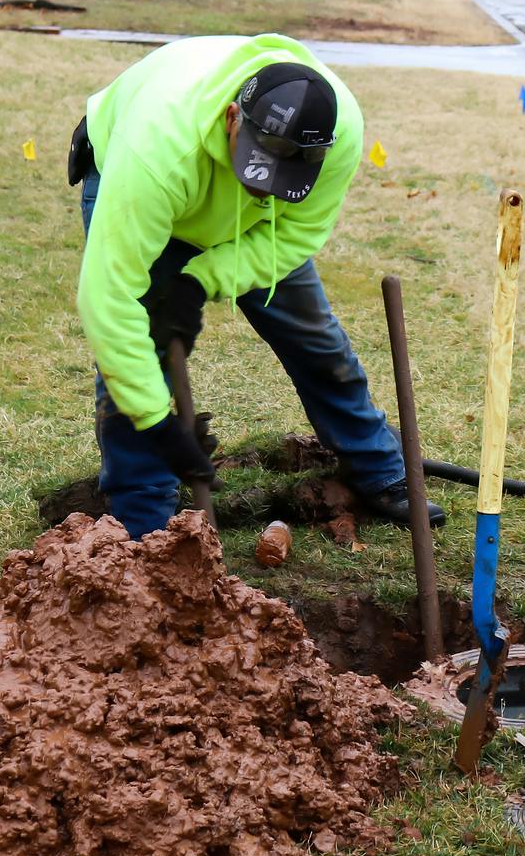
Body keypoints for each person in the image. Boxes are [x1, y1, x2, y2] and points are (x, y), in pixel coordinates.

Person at [69, 34, 444, 540]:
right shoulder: (155, 151)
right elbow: (110, 300)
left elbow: (297, 232)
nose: (262, 186)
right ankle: (145, 523)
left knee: (314, 336)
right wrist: (158, 423)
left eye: (280, 179)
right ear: (231, 118)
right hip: (151, 177)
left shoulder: (339, 134)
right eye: (255, 170)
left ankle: (378, 467)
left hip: (255, 227)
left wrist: (202, 278)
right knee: (145, 348)